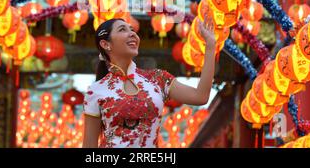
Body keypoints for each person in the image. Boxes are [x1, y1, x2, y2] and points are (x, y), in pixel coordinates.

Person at [82, 17, 216, 148]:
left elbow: (200, 96)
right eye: (123, 29)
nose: (132, 34)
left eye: (132, 29)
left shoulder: (158, 79)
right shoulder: (96, 90)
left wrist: (210, 47)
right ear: (105, 44)